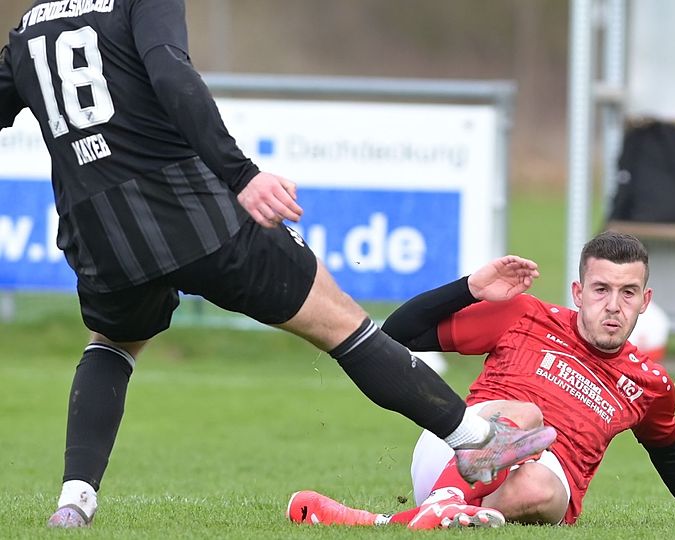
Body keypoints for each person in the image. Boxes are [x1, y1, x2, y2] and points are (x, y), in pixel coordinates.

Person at [0, 0, 555, 528]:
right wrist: (241, 175)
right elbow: (171, 73)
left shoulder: (28, 28)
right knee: (342, 323)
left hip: (100, 234)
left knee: (113, 345)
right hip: (192, 215)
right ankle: (475, 442)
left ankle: (74, 500)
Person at [287, 232, 675, 528]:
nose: (614, 305)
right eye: (601, 289)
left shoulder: (650, 384)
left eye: (627, 292)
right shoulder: (525, 315)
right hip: (457, 449)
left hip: (527, 490)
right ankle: (444, 501)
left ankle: (396, 523)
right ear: (578, 293)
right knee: (528, 415)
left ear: (645, 300)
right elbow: (399, 334)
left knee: (540, 487)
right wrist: (469, 289)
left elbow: (671, 452)